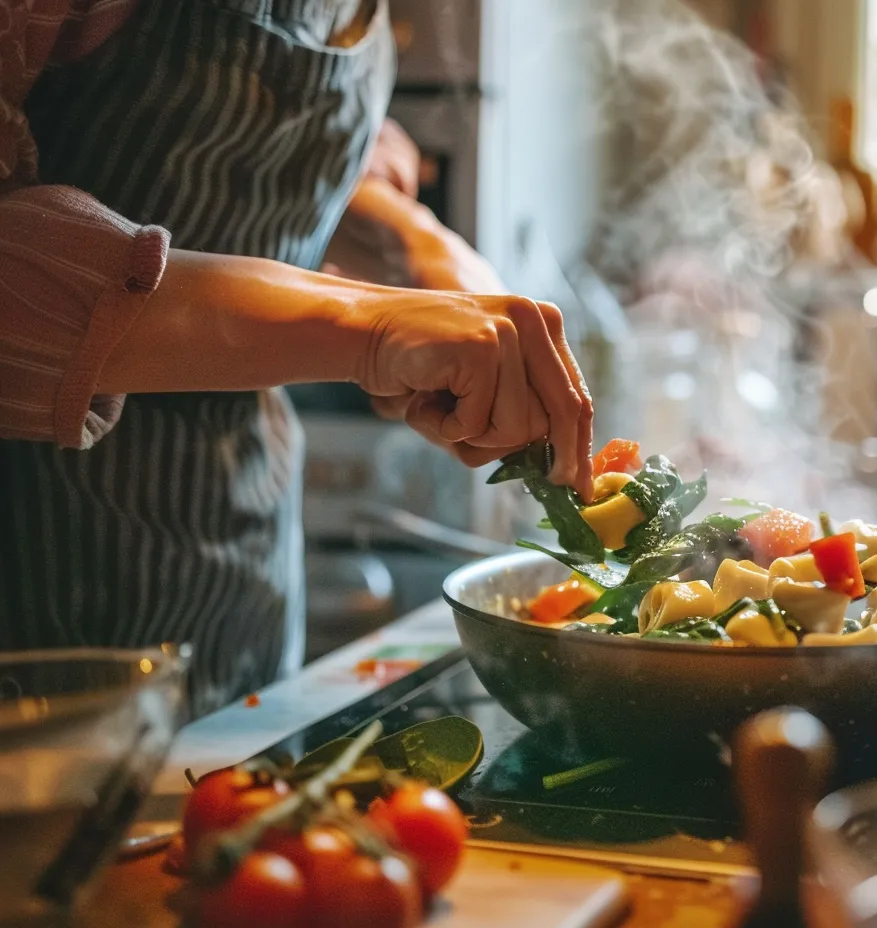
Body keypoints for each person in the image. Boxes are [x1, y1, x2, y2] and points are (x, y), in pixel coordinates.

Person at [0, 0, 594, 714]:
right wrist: (365, 330)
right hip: (36, 578)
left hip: (240, 547)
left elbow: (259, 156)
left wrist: (413, 242)